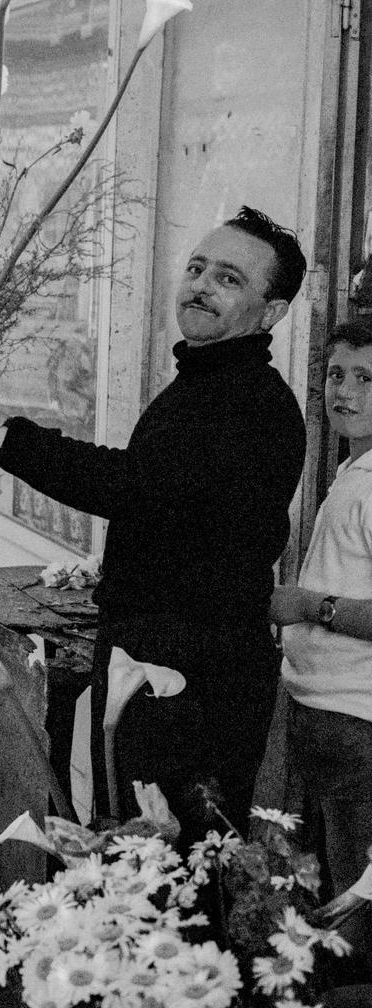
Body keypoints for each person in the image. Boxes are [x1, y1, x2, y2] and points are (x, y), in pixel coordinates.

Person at [0, 207, 308, 842]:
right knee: (135, 847)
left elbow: (131, 487)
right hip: (158, 662)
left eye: (230, 278)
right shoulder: (204, 382)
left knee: (171, 868)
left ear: (271, 312)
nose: (201, 284)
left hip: (191, 680)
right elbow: (174, 511)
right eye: (197, 267)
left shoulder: (251, 401)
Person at [272, 321, 372, 966]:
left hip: (357, 719)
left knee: (351, 911)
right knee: (327, 892)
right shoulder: (353, 468)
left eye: (367, 379)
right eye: (337, 375)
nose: (345, 391)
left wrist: (309, 605)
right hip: (324, 712)